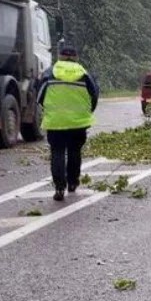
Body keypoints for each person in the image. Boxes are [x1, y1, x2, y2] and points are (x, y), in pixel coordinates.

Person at [37, 43, 99, 201]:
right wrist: (87, 112)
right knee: (74, 151)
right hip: (78, 122)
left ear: (60, 56)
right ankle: (72, 182)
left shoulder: (50, 73)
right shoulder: (84, 74)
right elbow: (94, 96)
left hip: (55, 122)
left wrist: (49, 109)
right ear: (76, 57)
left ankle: (59, 187)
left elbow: (39, 96)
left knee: (57, 152)